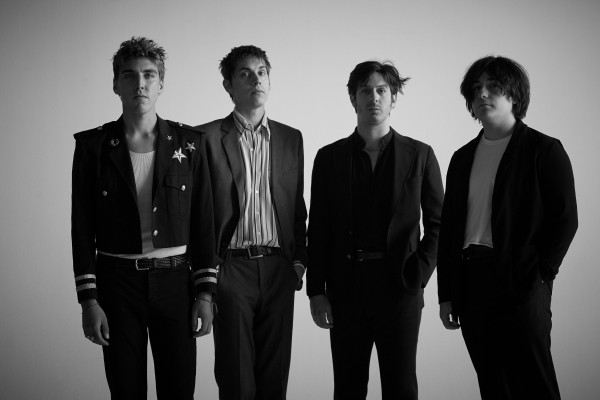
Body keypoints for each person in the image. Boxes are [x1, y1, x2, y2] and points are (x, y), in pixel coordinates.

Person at [71, 36, 219, 399]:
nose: (140, 84)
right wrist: (89, 301)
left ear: (161, 83)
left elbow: (204, 222)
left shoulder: (190, 144)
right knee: (125, 390)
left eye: (149, 75)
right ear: (116, 84)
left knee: (178, 390)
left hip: (175, 284)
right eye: (130, 75)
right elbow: (81, 228)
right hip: (117, 286)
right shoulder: (92, 147)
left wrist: (205, 293)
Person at [437, 56, 578, 400]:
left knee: (535, 384)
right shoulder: (461, 157)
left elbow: (566, 219)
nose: (482, 94)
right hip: (471, 282)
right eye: (476, 89)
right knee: (492, 385)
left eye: (493, 87)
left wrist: (540, 272)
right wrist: (446, 293)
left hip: (520, 280)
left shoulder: (544, 149)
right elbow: (450, 229)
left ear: (514, 95)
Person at [307, 60, 444, 399]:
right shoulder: (329, 158)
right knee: (348, 389)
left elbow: (440, 224)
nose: (374, 97)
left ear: (393, 98)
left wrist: (418, 275)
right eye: (365, 91)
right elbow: (318, 228)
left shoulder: (420, 155)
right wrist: (316, 291)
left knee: (401, 388)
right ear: (352, 98)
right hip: (345, 288)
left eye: (382, 90)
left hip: (399, 288)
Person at [198, 45, 307, 400]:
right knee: (237, 379)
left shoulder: (291, 138)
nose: (256, 79)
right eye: (245, 73)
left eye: (261, 72)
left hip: (279, 269)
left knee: (274, 381)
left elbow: (296, 208)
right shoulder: (205, 138)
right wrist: (208, 278)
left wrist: (297, 265)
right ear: (229, 86)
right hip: (230, 270)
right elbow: (198, 215)